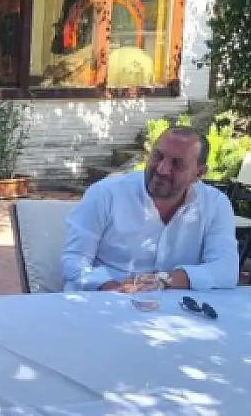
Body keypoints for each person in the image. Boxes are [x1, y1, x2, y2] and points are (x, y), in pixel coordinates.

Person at [60, 125, 240, 292]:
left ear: (199, 173)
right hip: (101, 301)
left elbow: (226, 270)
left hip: (173, 307)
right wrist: (114, 289)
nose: (162, 169)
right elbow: (74, 260)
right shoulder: (106, 194)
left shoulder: (215, 204)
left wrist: (164, 280)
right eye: (158, 156)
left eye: (177, 164)